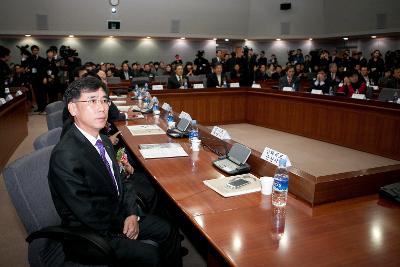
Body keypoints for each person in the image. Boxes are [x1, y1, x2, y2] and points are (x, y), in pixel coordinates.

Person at [49, 77, 182, 267]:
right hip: (91, 234)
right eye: (92, 101)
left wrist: (131, 213)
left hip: (117, 214)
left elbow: (123, 181)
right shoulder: (66, 156)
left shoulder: (102, 140)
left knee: (168, 230)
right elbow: (88, 212)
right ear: (73, 109)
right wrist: (125, 221)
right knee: (151, 255)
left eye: (104, 100)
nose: (102, 107)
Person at [26, 45, 47, 113]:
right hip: (34, 79)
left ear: (38, 51)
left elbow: (44, 70)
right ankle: (39, 107)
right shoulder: (29, 59)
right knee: (36, 94)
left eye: (36, 50)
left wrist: (45, 78)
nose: (35, 51)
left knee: (42, 94)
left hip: (41, 79)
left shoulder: (42, 59)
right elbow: (27, 67)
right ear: (32, 51)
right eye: (34, 50)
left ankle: (43, 108)